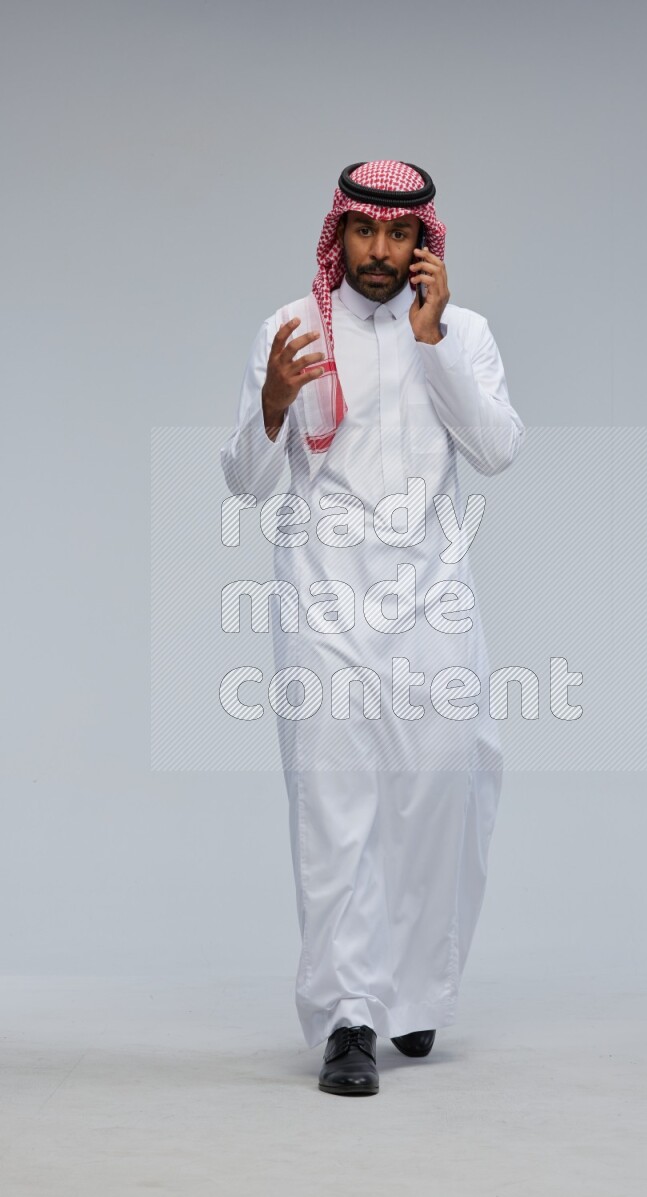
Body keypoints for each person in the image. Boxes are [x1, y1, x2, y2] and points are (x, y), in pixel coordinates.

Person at [220, 160, 525, 1095]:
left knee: (447, 793)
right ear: (339, 233)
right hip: (325, 600)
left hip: (433, 600)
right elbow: (244, 481)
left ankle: (419, 993)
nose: (381, 253)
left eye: (399, 236)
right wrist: (272, 403)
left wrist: (431, 347)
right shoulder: (292, 328)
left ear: (423, 240)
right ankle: (351, 1016)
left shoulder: (464, 334)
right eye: (365, 233)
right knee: (335, 808)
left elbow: (498, 449)